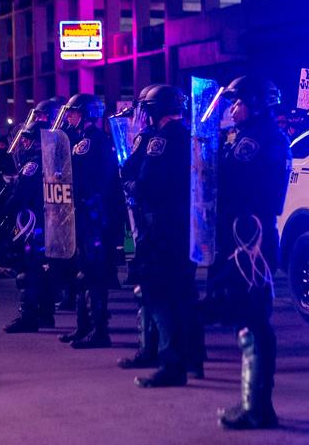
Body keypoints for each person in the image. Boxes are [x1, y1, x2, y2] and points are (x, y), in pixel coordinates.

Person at [209, 76, 291, 429]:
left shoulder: (256, 141)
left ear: (255, 104)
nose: (233, 109)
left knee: (253, 321)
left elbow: (230, 182)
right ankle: (255, 404)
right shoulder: (258, 136)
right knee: (248, 317)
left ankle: (258, 408)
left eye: (238, 103)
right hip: (249, 234)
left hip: (249, 239)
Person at [125, 85, 202, 387]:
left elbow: (145, 182)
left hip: (162, 227)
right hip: (188, 227)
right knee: (185, 293)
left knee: (158, 293)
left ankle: (172, 362)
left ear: (156, 110)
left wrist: (132, 186)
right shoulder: (191, 137)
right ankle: (194, 358)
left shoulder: (160, 141)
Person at [55, 93, 124, 349]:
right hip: (86, 215)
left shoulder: (92, 141)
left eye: (74, 112)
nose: (70, 116)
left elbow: (83, 178)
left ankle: (98, 330)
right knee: (82, 272)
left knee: (93, 273)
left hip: (92, 217)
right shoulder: (84, 139)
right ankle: (84, 326)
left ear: (87, 114)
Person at [2, 98, 66, 332]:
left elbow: (19, 195)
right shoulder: (53, 162)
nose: (24, 144)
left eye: (27, 140)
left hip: (33, 225)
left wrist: (7, 209)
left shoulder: (32, 166)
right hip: (51, 224)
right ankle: (46, 315)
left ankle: (28, 316)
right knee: (47, 272)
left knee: (27, 272)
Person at [113, 84, 161, 370]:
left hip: (154, 222)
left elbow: (135, 175)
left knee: (151, 289)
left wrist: (129, 186)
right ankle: (186, 354)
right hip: (172, 225)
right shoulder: (181, 137)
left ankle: (153, 352)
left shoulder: (153, 140)